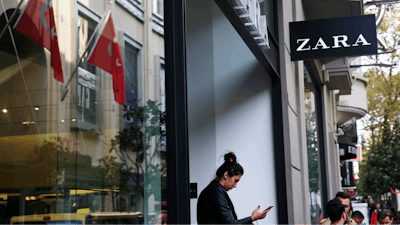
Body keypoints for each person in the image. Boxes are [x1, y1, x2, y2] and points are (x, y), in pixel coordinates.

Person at [197, 152, 273, 225]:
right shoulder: (216, 192)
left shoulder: (215, 190)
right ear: (226, 175)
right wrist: (253, 217)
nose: (235, 185)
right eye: (235, 181)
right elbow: (230, 224)